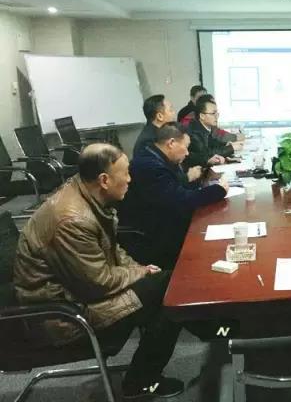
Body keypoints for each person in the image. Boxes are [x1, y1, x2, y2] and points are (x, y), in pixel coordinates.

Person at [13, 143, 186, 398]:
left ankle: (149, 371)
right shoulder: (72, 219)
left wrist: (139, 269)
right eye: (125, 173)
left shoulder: (87, 194)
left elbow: (112, 251)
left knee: (166, 287)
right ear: (104, 180)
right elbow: (98, 282)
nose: (130, 179)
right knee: (171, 289)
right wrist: (140, 273)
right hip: (63, 316)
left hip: (77, 295)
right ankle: (140, 381)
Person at [120, 122, 229, 269]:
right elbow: (180, 199)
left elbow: (178, 189)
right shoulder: (150, 166)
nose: (187, 153)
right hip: (154, 235)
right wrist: (218, 190)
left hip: (163, 221)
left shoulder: (156, 156)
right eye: (186, 147)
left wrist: (203, 184)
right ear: (171, 143)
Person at [184, 97, 235, 169]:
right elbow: (205, 153)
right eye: (213, 113)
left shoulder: (205, 128)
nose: (216, 117)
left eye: (217, 113)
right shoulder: (194, 131)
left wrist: (226, 144)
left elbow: (213, 143)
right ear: (202, 116)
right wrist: (231, 148)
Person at [132, 94, 176, 158]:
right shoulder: (150, 141)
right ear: (160, 116)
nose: (174, 113)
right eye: (171, 110)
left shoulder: (158, 132)